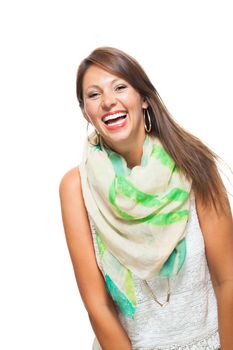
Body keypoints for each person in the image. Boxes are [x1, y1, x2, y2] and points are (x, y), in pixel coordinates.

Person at [59, 47, 233, 350]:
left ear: (143, 98)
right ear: (85, 110)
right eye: (94, 94)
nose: (108, 101)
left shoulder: (194, 165)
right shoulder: (76, 186)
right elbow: (97, 305)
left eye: (120, 87)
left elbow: (228, 279)